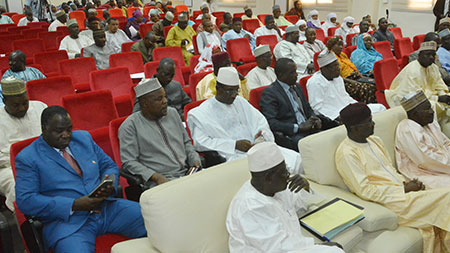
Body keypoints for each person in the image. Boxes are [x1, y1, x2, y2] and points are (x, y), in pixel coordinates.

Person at [15, 105, 147, 252]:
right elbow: (26, 200)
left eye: (69, 129)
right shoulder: (28, 158)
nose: (66, 135)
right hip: (69, 223)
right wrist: (74, 205)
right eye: (59, 131)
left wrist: (109, 182)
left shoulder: (83, 138)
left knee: (156, 219)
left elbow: (109, 165)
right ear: (44, 129)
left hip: (106, 209)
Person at [335, 102, 450, 253]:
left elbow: (391, 172)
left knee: (440, 215)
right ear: (355, 128)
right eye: (368, 122)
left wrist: (409, 184)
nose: (373, 123)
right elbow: (365, 191)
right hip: (389, 202)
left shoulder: (375, 141)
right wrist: (403, 189)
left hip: (404, 193)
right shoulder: (347, 154)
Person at [226, 142, 344, 253]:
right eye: (284, 172)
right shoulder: (250, 207)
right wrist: (318, 246)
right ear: (269, 177)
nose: (288, 175)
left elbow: (299, 206)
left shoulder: (273, 188)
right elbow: (278, 248)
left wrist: (305, 187)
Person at [187, 67, 302, 173]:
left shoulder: (240, 102)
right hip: (233, 156)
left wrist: (260, 137)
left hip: (258, 148)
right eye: (229, 91)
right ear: (218, 88)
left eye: (236, 90)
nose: (233, 95)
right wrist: (234, 145)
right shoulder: (201, 113)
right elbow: (200, 142)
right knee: (273, 171)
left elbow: (260, 122)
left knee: (296, 160)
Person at [119, 78, 201, 188]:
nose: (165, 101)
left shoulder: (172, 113)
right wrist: (156, 177)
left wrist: (194, 160)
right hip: (161, 181)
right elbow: (129, 162)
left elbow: (186, 142)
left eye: (164, 96)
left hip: (188, 173)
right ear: (144, 103)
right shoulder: (130, 126)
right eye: (159, 99)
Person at [260, 58, 337, 151]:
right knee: (314, 147)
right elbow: (271, 122)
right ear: (281, 75)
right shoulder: (270, 93)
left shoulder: (297, 86)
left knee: (333, 138)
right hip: (292, 134)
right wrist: (298, 128)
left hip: (309, 128)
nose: (296, 75)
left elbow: (307, 108)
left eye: (296, 71)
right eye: (292, 73)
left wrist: (314, 118)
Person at [0, 77, 47, 211]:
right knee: (19, 186)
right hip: (8, 167)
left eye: (25, 103)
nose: (22, 108)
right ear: (4, 102)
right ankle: (28, 225)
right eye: (16, 105)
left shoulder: (40, 107)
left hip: (45, 158)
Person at [385, 41, 450, 137]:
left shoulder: (433, 68)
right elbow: (415, 95)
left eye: (433, 55)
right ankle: (433, 136)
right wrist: (438, 98)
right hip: (405, 98)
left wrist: (444, 95)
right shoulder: (413, 70)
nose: (431, 57)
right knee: (430, 106)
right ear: (420, 55)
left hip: (429, 97)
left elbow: (439, 85)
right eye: (428, 55)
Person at [306, 50, 385, 121]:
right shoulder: (315, 82)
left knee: (380, 108)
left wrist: (357, 106)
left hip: (348, 109)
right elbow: (317, 108)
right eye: (335, 66)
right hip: (335, 116)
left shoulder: (338, 78)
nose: (339, 69)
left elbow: (345, 97)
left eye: (338, 66)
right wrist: (336, 117)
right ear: (324, 69)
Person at [395, 91, 450, 189]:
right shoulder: (407, 129)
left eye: (430, 107)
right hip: (423, 173)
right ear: (415, 113)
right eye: (427, 109)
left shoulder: (430, 122)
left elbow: (445, 143)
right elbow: (426, 160)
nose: (432, 111)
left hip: (442, 167)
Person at [327, 36, 377, 104]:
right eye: (338, 45)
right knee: (368, 88)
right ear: (331, 46)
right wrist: (352, 81)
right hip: (345, 81)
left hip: (355, 76)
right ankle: (366, 107)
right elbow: (336, 77)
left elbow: (351, 66)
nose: (341, 47)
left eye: (341, 45)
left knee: (375, 82)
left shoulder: (342, 55)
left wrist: (359, 74)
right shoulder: (329, 58)